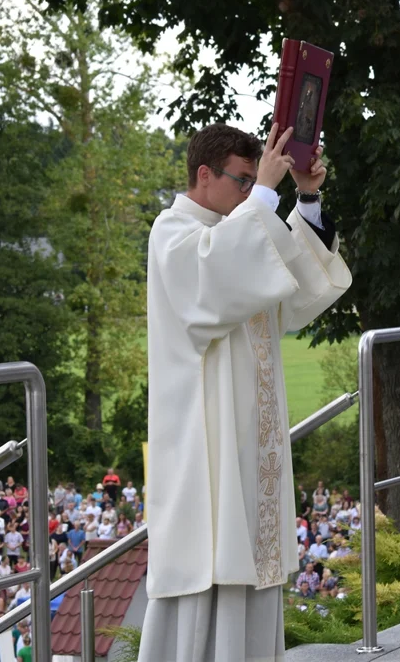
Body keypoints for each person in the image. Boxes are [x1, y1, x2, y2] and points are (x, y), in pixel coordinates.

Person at [138, 122, 351, 662]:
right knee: (213, 562)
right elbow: (224, 268)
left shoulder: (239, 233)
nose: (247, 192)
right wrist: (267, 196)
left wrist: (306, 196)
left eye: (252, 182)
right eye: (242, 181)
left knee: (253, 568)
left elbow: (294, 291)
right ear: (204, 175)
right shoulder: (173, 234)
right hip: (206, 452)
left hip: (253, 447)